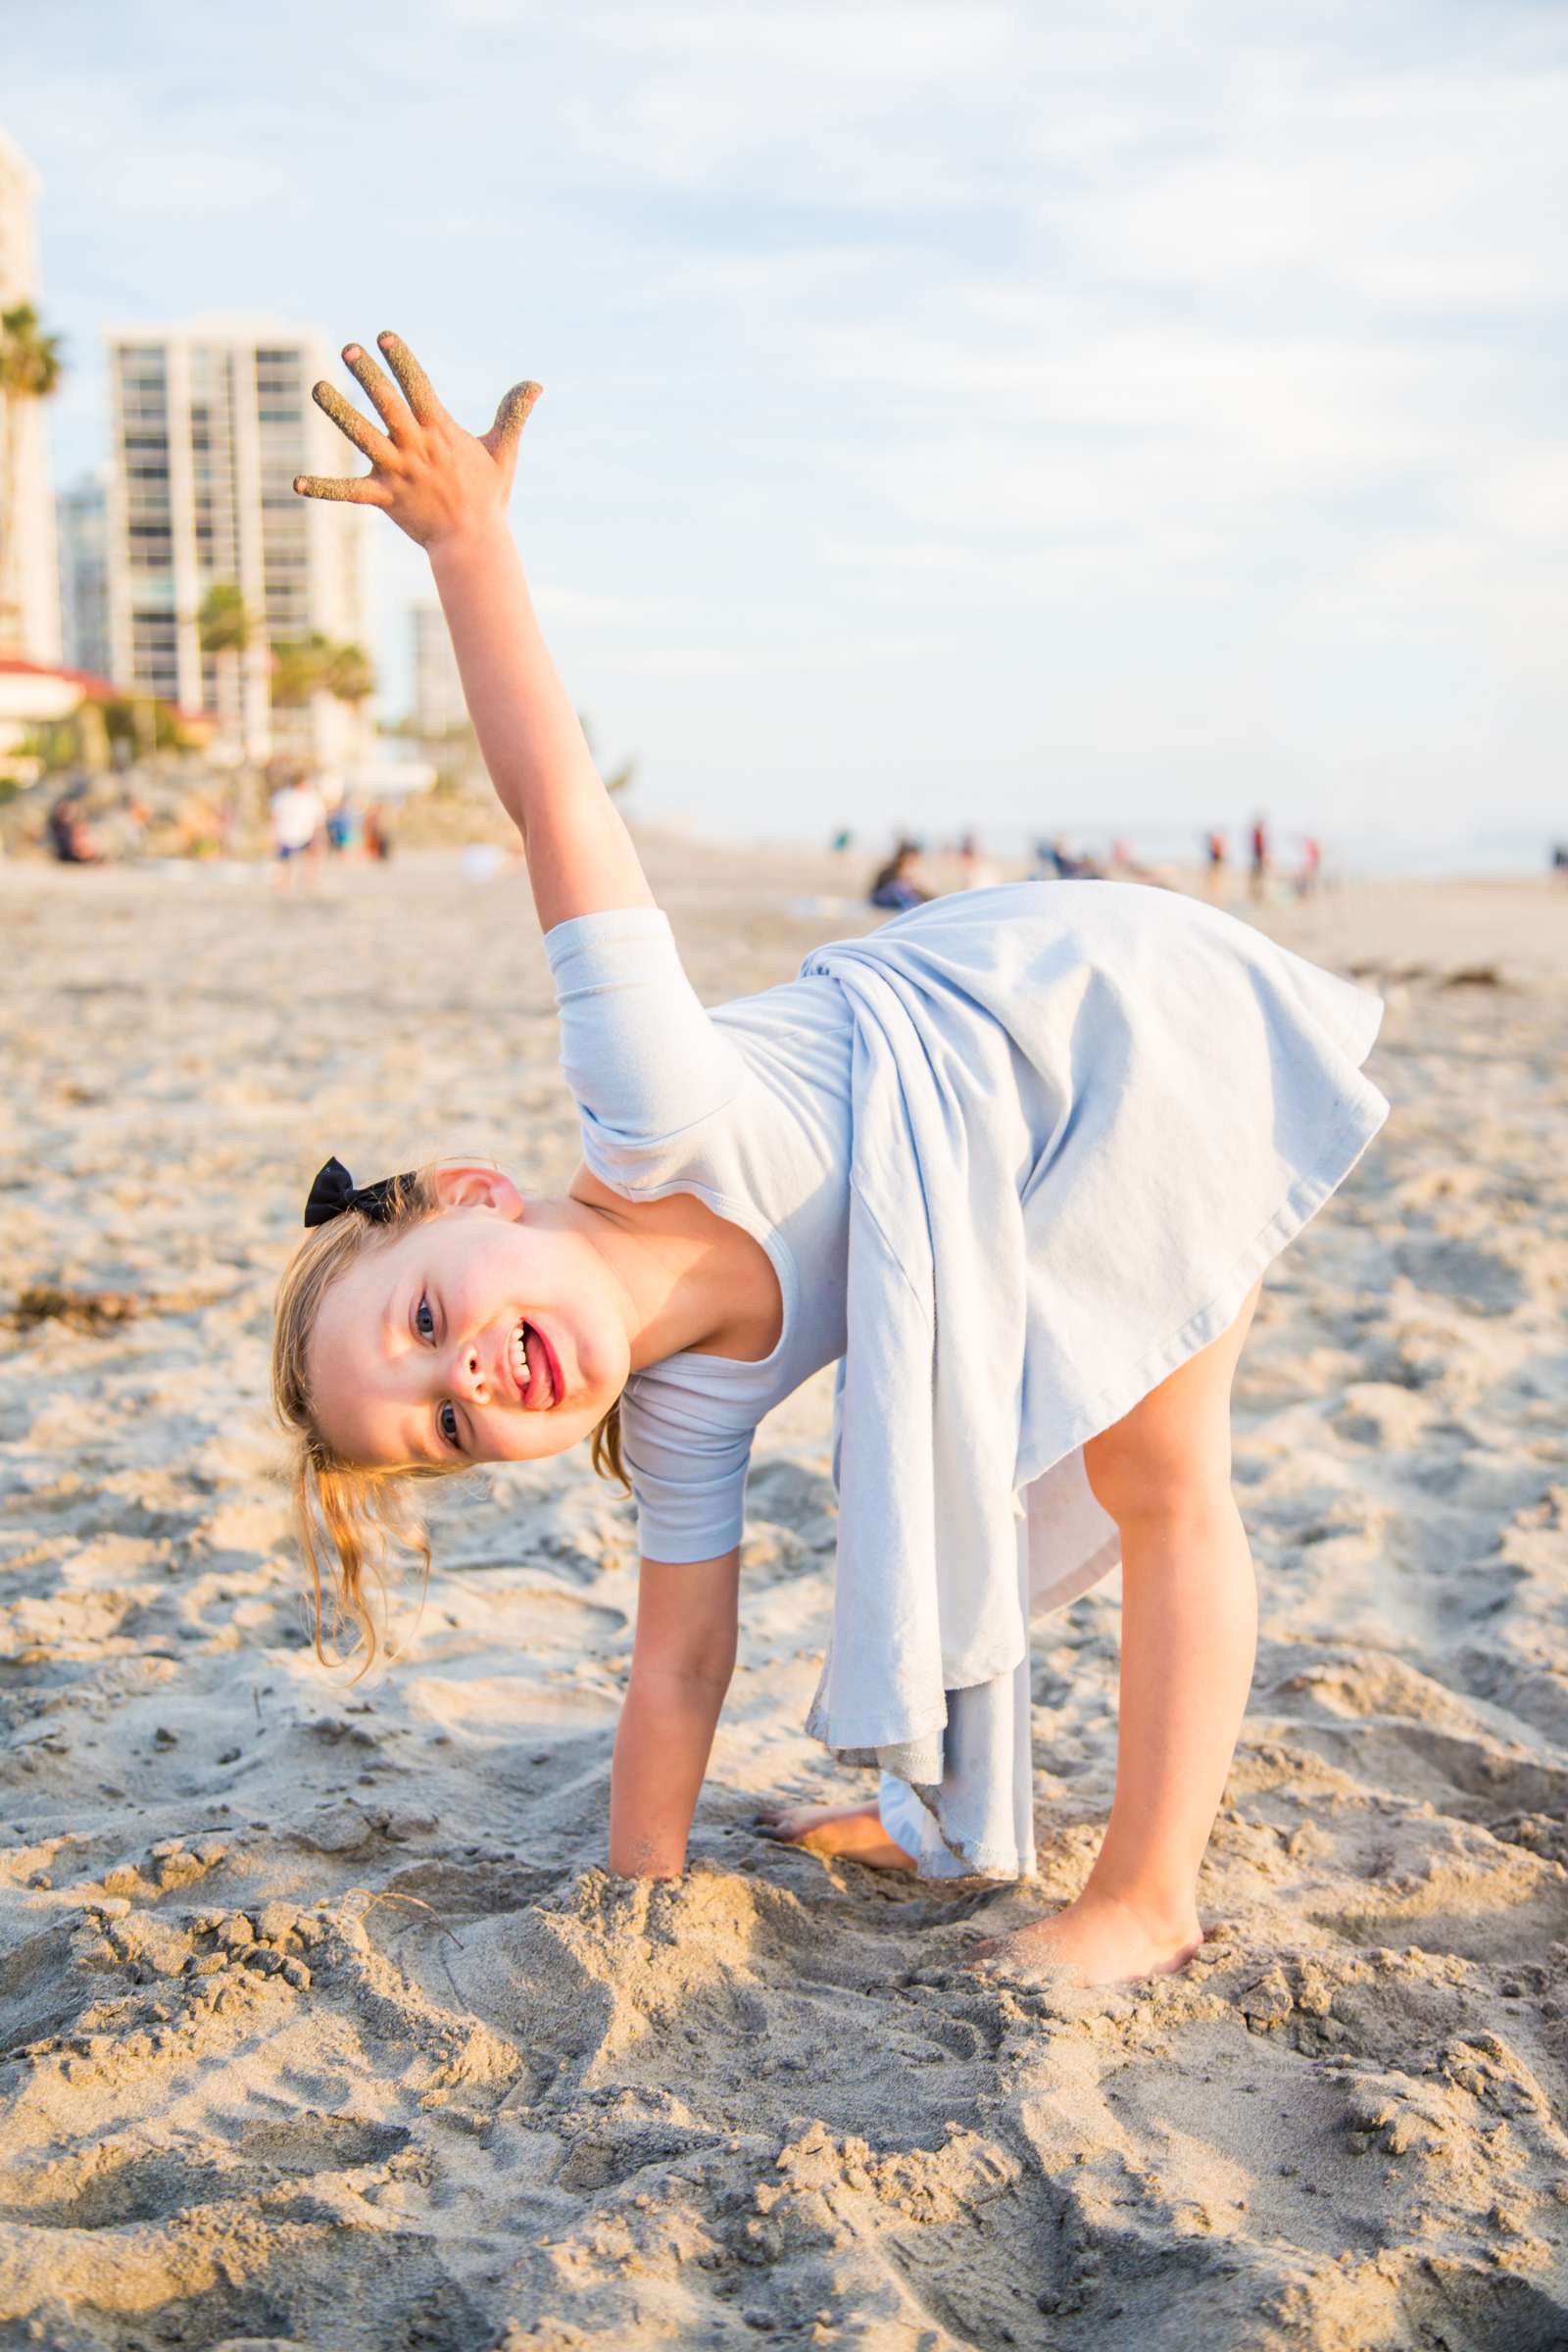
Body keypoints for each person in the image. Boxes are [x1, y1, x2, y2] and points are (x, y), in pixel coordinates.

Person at [274, 332, 1389, 1987]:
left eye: (428, 1320)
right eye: (445, 1426)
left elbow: (554, 801)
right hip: (1002, 1157)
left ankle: (1151, 1895)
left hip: (1104, 1038)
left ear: (475, 1196)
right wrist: (639, 1907)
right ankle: (940, 1800)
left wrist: (470, 548)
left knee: (1162, 1478)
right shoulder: (680, 1413)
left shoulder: (647, 1099)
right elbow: (679, 1669)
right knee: (956, 1475)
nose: (473, 1377)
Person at [270, 771, 322, 885]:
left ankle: (310, 880)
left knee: (311, 858)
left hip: (305, 833)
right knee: (285, 860)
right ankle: (285, 882)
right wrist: (274, 833)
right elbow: (275, 816)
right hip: (287, 833)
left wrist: (317, 835)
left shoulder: (310, 797)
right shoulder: (284, 797)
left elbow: (317, 818)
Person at [867, 838, 928, 911]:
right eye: (908, 857)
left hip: (898, 900)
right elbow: (885, 891)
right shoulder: (891, 871)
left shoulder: (912, 872)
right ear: (901, 857)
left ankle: (918, 904)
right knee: (898, 888)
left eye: (912, 857)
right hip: (882, 899)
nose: (910, 860)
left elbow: (916, 891)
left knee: (910, 891)